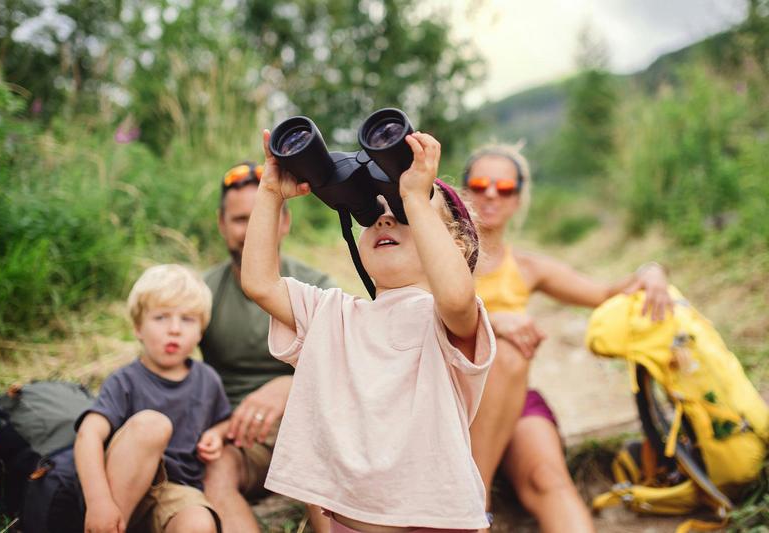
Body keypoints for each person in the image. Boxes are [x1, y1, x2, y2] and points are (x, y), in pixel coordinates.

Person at [241, 129, 495, 533]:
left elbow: (457, 297)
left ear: (458, 248)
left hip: (438, 523)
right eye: (372, 215)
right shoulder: (332, 315)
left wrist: (415, 195)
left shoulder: (445, 320)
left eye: (402, 212)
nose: (385, 217)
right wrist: (269, 192)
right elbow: (259, 282)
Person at [462, 143, 673, 533]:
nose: (491, 194)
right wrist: (487, 321)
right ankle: (473, 504)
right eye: (479, 183)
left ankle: (473, 500)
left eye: (504, 187)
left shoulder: (527, 267)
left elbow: (606, 294)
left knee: (548, 478)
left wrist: (650, 269)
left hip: (510, 397)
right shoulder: (438, 258)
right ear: (462, 193)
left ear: (518, 197)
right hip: (449, 397)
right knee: (507, 347)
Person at [37, 264, 232, 533]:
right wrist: (99, 501)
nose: (174, 329)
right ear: (138, 328)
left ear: (200, 332)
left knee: (199, 523)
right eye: (161, 317)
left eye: (187, 319)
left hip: (177, 493)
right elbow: (88, 435)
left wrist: (216, 435)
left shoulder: (207, 379)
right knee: (152, 424)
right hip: (122, 492)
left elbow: (224, 420)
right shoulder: (125, 380)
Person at [199, 162, 335, 533]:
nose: (249, 231)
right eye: (241, 219)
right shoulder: (202, 291)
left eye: (262, 215)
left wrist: (289, 386)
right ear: (222, 224)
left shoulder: (316, 284)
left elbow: (348, 365)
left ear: (285, 222)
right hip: (240, 437)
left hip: (310, 424)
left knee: (320, 449)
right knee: (216, 471)